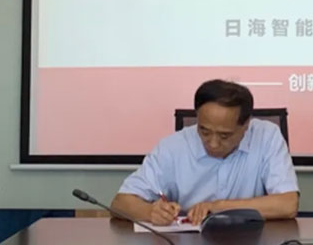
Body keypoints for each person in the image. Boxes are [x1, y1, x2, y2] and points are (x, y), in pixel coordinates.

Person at [112, 80, 299, 225]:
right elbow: (120, 203)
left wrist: (218, 207)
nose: (213, 143)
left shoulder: (267, 137)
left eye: (224, 135)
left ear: (246, 125)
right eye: (204, 131)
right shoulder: (173, 147)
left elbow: (288, 204)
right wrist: (150, 212)